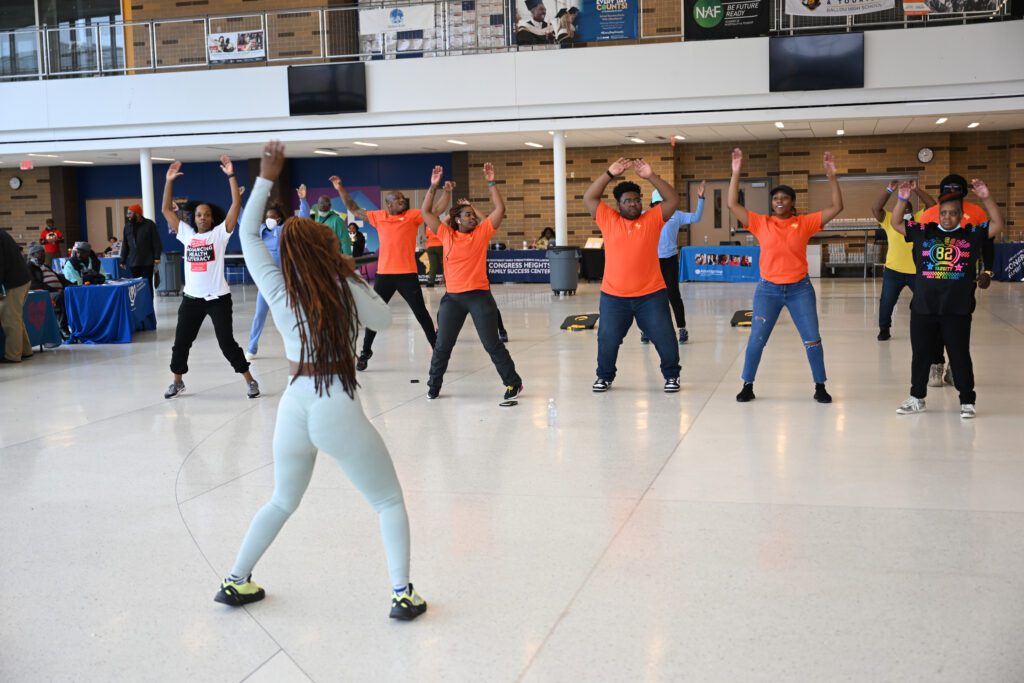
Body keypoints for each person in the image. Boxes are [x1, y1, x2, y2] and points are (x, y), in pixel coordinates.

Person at [219, 140, 427, 621]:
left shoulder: (279, 286)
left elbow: (249, 235)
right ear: (328, 250)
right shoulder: (345, 290)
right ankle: (401, 593)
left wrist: (267, 176)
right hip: (335, 401)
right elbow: (386, 321)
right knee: (388, 500)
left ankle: (235, 580)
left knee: (282, 499)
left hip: (294, 404)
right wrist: (350, 274)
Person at [729, 147, 844, 404]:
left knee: (812, 340)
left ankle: (820, 385)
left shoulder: (804, 223)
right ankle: (747, 384)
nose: (779, 200)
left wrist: (832, 176)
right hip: (768, 290)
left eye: (785, 198)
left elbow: (837, 206)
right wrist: (736, 172)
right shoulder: (761, 223)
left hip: (799, 290)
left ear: (792, 203)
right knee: (757, 340)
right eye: (775, 198)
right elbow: (732, 204)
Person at [890, 179, 1003, 419]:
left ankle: (967, 401)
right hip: (924, 308)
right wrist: (902, 198)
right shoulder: (923, 232)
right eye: (943, 213)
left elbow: (997, 224)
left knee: (959, 354)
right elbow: (896, 222)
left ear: (961, 216)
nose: (947, 217)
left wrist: (986, 197)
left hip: (957, 309)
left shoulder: (971, 235)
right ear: (937, 214)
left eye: (953, 214)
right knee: (921, 354)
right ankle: (917, 397)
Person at [161, 156, 259, 400]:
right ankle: (178, 382)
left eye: (205, 215)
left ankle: (250, 380)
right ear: (193, 219)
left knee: (227, 343)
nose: (202, 217)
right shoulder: (187, 235)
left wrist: (231, 176)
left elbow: (236, 204)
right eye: (198, 215)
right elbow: (165, 210)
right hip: (191, 300)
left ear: (212, 218)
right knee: (181, 343)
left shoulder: (219, 235)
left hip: (218, 299)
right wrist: (168, 181)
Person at [421, 165, 523, 400]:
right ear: (456, 220)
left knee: (492, 344)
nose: (472, 217)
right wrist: (434, 185)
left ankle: (513, 383)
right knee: (442, 346)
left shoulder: (481, 233)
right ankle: (433, 385)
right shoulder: (446, 234)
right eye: (467, 215)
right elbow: (426, 212)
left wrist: (491, 182)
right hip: (453, 299)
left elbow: (500, 209)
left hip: (479, 297)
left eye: (473, 214)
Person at [583, 158, 682, 393]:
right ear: (618, 204)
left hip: (651, 296)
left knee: (665, 337)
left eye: (637, 201)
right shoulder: (608, 219)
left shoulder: (653, 219)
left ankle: (672, 376)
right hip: (614, 297)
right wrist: (609, 173)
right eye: (628, 201)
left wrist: (651, 176)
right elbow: (589, 197)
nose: (634, 205)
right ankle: (604, 376)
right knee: (607, 340)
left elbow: (673, 200)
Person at [332, 175, 450, 371]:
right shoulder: (378, 217)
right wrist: (340, 188)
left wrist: (445, 191)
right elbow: (353, 207)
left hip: (407, 275)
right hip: (385, 276)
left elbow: (436, 210)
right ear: (389, 205)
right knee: (375, 314)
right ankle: (365, 352)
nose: (402, 200)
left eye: (403, 198)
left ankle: (437, 352)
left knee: (421, 314)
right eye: (398, 199)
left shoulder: (413, 216)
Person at [918, 173, 991, 387]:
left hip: (962, 282)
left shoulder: (976, 212)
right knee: (934, 327)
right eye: (947, 189)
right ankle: (936, 363)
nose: (952, 193)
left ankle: (954, 367)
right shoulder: (930, 213)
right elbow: (921, 247)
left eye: (956, 189)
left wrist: (989, 271)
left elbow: (988, 243)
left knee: (958, 326)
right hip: (934, 281)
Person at [871, 180, 936, 341]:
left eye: (908, 207)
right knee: (886, 302)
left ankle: (930, 328)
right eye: (903, 207)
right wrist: (889, 190)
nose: (905, 209)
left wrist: (916, 189)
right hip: (894, 271)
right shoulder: (890, 220)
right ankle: (884, 328)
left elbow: (933, 206)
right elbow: (876, 209)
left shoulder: (921, 219)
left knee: (927, 301)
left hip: (918, 271)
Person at [642, 182, 705, 345]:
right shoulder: (646, 215)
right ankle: (645, 330)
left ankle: (682, 328)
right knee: (647, 296)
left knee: (673, 295)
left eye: (662, 203)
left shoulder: (676, 215)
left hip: (669, 259)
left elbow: (696, 217)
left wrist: (701, 198)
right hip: (651, 261)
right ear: (653, 204)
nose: (660, 207)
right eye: (657, 204)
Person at [245, 202, 287, 360]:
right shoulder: (261, 232)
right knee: (259, 315)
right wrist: (239, 201)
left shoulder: (283, 231)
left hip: (284, 281)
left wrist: (303, 201)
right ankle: (251, 347)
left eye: (272, 217)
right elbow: (244, 221)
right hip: (267, 283)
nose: (268, 219)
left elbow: (303, 218)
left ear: (279, 219)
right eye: (267, 217)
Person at [0, 230, 33, 363]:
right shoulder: (2, 233)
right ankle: (26, 350)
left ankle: (12, 355)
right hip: (21, 279)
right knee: (15, 317)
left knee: (9, 320)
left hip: (13, 283)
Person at [26, 244, 69, 336]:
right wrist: (54, 290)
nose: (43, 254)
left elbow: (58, 277)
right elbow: (34, 284)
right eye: (39, 253)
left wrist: (71, 285)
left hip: (58, 291)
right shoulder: (29, 267)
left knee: (73, 294)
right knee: (60, 297)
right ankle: (63, 327)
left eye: (43, 252)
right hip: (45, 294)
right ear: (32, 255)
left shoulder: (46, 266)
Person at [121, 203, 163, 297]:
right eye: (128, 213)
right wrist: (123, 259)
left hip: (147, 262)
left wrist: (157, 257)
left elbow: (156, 242)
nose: (128, 216)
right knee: (136, 287)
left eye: (130, 213)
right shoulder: (127, 226)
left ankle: (149, 309)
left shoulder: (149, 224)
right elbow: (125, 244)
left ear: (137, 214)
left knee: (147, 287)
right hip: (133, 263)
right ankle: (139, 309)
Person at [298, 188, 352, 255]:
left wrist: (347, 261)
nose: (323, 205)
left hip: (333, 260)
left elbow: (345, 242)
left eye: (326, 202)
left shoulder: (337, 220)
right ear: (317, 205)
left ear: (330, 205)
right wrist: (303, 200)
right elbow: (302, 220)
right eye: (321, 203)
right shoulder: (314, 220)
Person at [424, 221, 444, 287]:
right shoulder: (440, 224)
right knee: (445, 264)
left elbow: (427, 236)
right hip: (440, 245)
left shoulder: (428, 226)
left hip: (430, 247)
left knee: (433, 265)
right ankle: (447, 281)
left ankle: (430, 282)